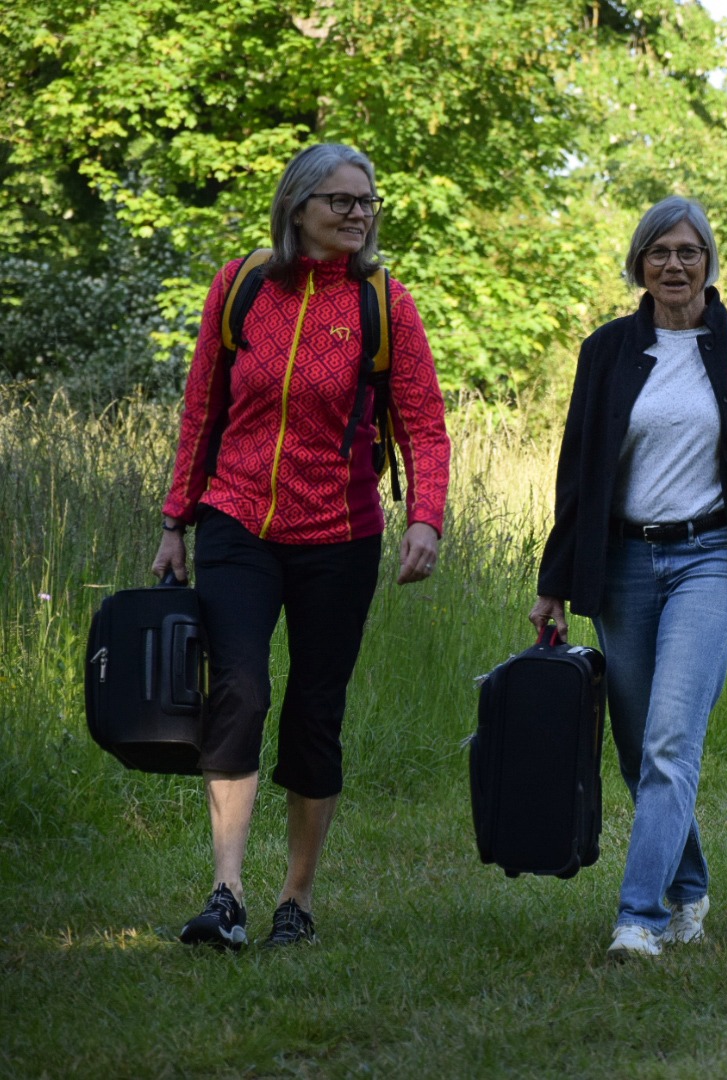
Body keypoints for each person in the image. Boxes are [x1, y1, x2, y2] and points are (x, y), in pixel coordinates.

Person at [154, 143, 451, 949]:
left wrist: (425, 518)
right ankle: (226, 893)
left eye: (367, 202)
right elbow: (202, 408)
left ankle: (297, 898)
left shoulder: (385, 303)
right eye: (342, 201)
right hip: (236, 521)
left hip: (340, 534)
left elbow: (423, 424)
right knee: (239, 690)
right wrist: (176, 520)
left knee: (316, 711)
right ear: (297, 205)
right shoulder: (242, 285)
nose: (358, 214)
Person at [531, 196, 727, 959]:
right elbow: (578, 470)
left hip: (712, 557)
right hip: (622, 562)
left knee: (670, 741)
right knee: (635, 747)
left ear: (708, 261)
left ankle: (638, 918)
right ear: (639, 264)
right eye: (660, 252)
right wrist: (553, 581)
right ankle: (690, 884)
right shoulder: (607, 349)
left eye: (688, 252)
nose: (674, 265)